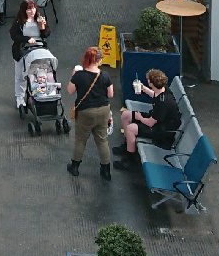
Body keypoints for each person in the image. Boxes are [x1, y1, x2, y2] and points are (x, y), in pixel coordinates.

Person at [112, 69, 183, 169]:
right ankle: (127, 144)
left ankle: (130, 160)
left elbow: (150, 123)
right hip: (157, 120)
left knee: (131, 129)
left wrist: (139, 117)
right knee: (126, 115)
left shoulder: (163, 104)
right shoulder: (163, 89)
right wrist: (143, 88)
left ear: (151, 83)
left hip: (162, 130)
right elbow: (155, 95)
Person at [66, 46, 115, 180]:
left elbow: (70, 91)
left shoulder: (79, 75)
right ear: (99, 60)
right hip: (103, 110)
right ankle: (106, 171)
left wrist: (73, 75)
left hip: (85, 112)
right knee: (102, 140)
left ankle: (75, 167)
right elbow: (110, 94)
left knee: (81, 140)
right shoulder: (105, 75)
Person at [10, 0, 51, 108]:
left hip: (38, 49)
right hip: (22, 50)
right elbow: (14, 35)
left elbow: (46, 34)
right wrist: (27, 39)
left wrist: (42, 27)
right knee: (21, 76)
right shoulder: (19, 22)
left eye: (33, 8)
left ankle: (37, 95)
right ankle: (19, 97)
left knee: (38, 74)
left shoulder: (39, 18)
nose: (32, 11)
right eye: (29, 9)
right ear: (24, 10)